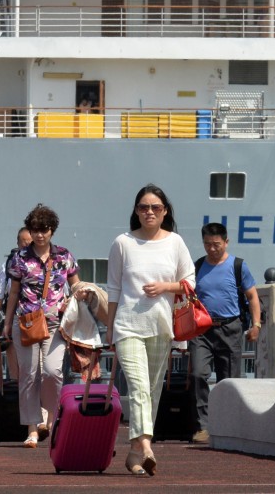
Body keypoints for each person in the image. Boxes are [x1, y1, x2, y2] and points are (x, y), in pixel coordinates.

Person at [106, 184, 194, 478]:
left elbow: (190, 282)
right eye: (144, 207)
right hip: (128, 325)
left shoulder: (175, 243)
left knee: (153, 391)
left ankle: (133, 454)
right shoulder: (123, 243)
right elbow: (114, 288)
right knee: (140, 387)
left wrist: (165, 287)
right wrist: (109, 328)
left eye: (155, 207)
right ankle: (146, 445)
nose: (149, 212)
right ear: (136, 211)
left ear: (165, 211)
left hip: (161, 326)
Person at [2, 205, 81, 448]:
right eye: (35, 230)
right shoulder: (20, 258)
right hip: (25, 322)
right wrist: (6, 324)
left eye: (44, 230)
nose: (39, 235)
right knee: (28, 375)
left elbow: (76, 283)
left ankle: (52, 419)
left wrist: (79, 296)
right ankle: (32, 429)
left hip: (56, 323)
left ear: (52, 230)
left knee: (52, 372)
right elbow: (13, 292)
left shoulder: (64, 256)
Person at [188, 222, 261, 445]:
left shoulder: (238, 266)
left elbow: (252, 297)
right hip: (202, 330)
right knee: (198, 374)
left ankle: (227, 425)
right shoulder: (198, 266)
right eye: (207, 244)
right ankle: (203, 426)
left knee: (228, 380)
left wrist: (256, 325)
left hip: (230, 328)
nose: (212, 249)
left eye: (216, 244)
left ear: (226, 242)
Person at [0, 227, 32, 380]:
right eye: (24, 244)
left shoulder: (47, 265)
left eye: (31, 243)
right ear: (18, 244)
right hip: (14, 323)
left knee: (40, 372)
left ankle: (39, 403)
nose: (27, 247)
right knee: (17, 373)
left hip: (39, 323)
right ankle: (20, 402)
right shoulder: (8, 266)